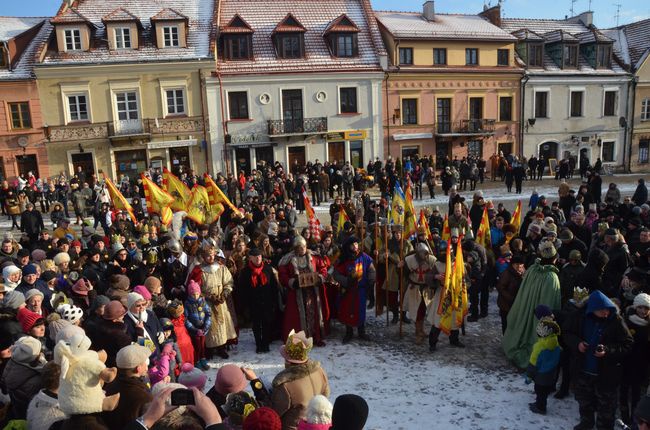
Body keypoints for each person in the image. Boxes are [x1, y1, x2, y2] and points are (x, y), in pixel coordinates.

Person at [562, 290, 633, 430]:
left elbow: (628, 343)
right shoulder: (578, 317)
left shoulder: (616, 320)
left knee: (607, 407)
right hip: (583, 370)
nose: (605, 312)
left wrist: (608, 350)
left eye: (607, 309)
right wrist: (577, 344)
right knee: (584, 401)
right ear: (592, 309)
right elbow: (567, 333)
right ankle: (586, 422)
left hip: (606, 374)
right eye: (601, 310)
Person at [502, 241, 561, 369]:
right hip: (538, 313)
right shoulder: (552, 277)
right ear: (554, 258)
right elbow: (550, 302)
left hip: (525, 307)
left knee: (522, 327)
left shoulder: (532, 269)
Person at [271, 330, 330, 430]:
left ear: (287, 360)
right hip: (313, 424)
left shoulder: (285, 385)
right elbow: (326, 395)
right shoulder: (320, 371)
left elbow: (274, 413)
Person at [189, 245, 237, 359]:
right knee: (210, 327)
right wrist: (207, 296)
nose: (211, 258)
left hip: (220, 301)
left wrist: (225, 293)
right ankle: (210, 349)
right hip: (206, 303)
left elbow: (228, 282)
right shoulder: (199, 270)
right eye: (208, 256)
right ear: (203, 257)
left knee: (222, 324)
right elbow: (194, 288)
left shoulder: (221, 267)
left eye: (212, 255)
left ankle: (222, 348)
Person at [332, 236, 376, 344]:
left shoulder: (364, 257)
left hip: (361, 290)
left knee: (360, 310)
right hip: (348, 291)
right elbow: (336, 274)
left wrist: (371, 281)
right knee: (348, 310)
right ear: (348, 246)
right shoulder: (343, 259)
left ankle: (361, 331)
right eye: (353, 245)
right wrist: (346, 281)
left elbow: (371, 269)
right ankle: (349, 332)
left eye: (356, 244)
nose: (355, 246)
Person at [104, 344, 154, 429]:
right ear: (138, 368)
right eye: (145, 363)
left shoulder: (109, 385)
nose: (147, 366)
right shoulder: (144, 397)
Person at [240, 248, 278, 353]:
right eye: (255, 257)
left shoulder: (268, 269)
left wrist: (274, 301)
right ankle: (258, 343)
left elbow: (274, 286)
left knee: (266, 323)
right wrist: (245, 305)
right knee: (256, 325)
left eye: (260, 256)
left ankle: (265, 343)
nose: (258, 259)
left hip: (266, 301)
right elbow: (242, 290)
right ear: (250, 258)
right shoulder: (245, 272)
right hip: (253, 303)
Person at [525, 318, 562, 415]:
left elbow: (533, 362)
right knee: (544, 392)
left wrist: (529, 375)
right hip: (550, 374)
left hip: (540, 375)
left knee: (539, 391)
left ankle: (540, 408)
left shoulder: (540, 346)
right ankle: (539, 403)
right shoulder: (555, 342)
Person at [402, 243, 438, 343]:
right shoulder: (410, 260)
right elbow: (404, 274)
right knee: (416, 311)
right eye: (421, 253)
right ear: (417, 253)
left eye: (425, 253)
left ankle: (421, 330)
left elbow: (436, 271)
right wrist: (400, 267)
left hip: (426, 289)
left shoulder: (431, 260)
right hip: (415, 288)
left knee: (422, 311)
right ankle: (418, 333)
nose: (423, 255)